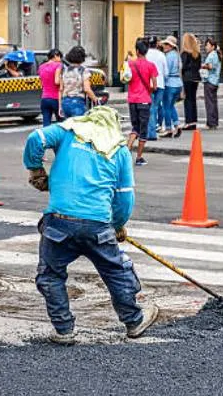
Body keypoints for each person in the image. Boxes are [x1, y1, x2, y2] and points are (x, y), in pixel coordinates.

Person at [23, 106, 159, 345]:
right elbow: (124, 198)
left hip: (59, 223)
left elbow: (36, 138)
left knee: (51, 275)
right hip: (97, 225)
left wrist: (36, 170)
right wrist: (117, 225)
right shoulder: (119, 150)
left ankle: (63, 330)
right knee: (115, 272)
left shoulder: (68, 132)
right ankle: (134, 321)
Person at [126, 39, 159, 167]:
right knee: (143, 130)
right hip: (144, 100)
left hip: (132, 100)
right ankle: (139, 157)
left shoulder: (130, 64)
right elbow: (154, 86)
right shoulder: (151, 66)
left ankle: (127, 149)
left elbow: (126, 79)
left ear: (137, 51)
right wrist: (149, 90)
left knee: (135, 127)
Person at [59, 45, 99, 119]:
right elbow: (87, 89)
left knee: (68, 128)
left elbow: (61, 89)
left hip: (65, 102)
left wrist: (60, 106)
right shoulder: (83, 70)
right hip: (77, 102)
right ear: (82, 58)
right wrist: (96, 100)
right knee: (78, 128)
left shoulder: (64, 70)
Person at [160, 36, 183, 138]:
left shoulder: (168, 56)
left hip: (169, 83)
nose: (164, 46)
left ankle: (169, 129)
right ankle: (177, 125)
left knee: (166, 107)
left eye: (166, 44)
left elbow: (166, 72)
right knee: (171, 106)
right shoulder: (177, 55)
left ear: (170, 46)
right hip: (178, 83)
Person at [145, 36, 167, 141]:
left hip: (148, 84)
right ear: (156, 44)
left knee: (151, 108)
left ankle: (151, 133)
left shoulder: (146, 55)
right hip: (160, 84)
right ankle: (157, 127)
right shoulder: (161, 55)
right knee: (158, 106)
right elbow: (166, 72)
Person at [180, 33, 202, 131]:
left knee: (187, 99)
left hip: (187, 78)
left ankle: (188, 122)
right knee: (193, 99)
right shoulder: (197, 54)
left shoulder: (185, 54)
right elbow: (199, 66)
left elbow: (182, 67)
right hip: (196, 78)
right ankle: (193, 121)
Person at [201, 38, 222, 130]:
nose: (206, 47)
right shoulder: (216, 54)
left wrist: (202, 65)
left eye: (207, 45)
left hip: (209, 81)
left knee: (209, 103)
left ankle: (211, 122)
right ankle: (214, 121)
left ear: (212, 46)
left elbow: (210, 66)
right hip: (215, 81)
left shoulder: (212, 55)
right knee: (213, 102)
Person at [39, 49, 62, 127]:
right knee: (61, 123)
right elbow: (56, 81)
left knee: (46, 124)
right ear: (55, 56)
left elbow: (41, 82)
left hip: (44, 98)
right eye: (60, 57)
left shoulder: (41, 67)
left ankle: (46, 139)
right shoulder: (58, 65)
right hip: (55, 98)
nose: (60, 59)